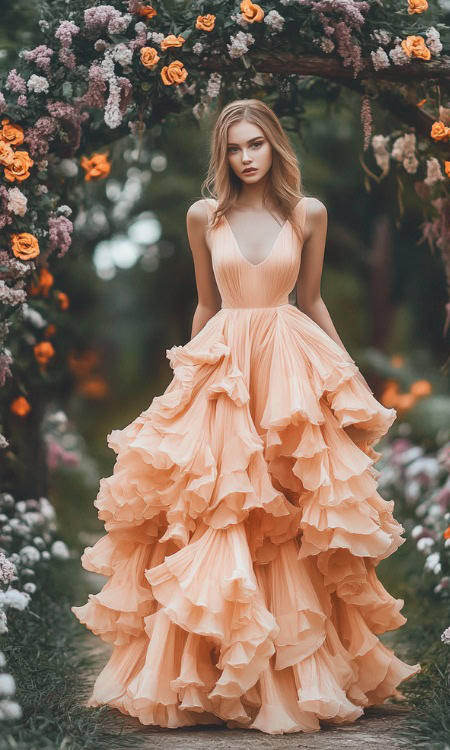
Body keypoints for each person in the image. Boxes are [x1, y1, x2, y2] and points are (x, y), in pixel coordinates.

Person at [72, 98, 421, 735]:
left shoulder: (307, 213)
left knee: (287, 511)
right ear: (223, 155)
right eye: (234, 148)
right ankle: (212, 676)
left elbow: (310, 300)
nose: (245, 157)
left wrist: (346, 377)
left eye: (255, 144)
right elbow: (208, 306)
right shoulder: (205, 215)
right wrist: (186, 382)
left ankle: (295, 676)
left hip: (288, 364)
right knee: (221, 510)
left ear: (275, 146)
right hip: (226, 368)